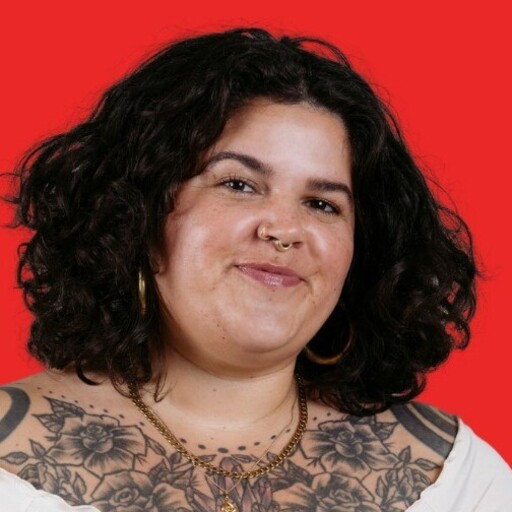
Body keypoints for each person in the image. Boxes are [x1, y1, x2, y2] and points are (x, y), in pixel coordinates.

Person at [0, 27, 510, 512]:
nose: (285, 229)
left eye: (323, 204)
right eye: (239, 185)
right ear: (136, 213)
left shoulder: (459, 482)